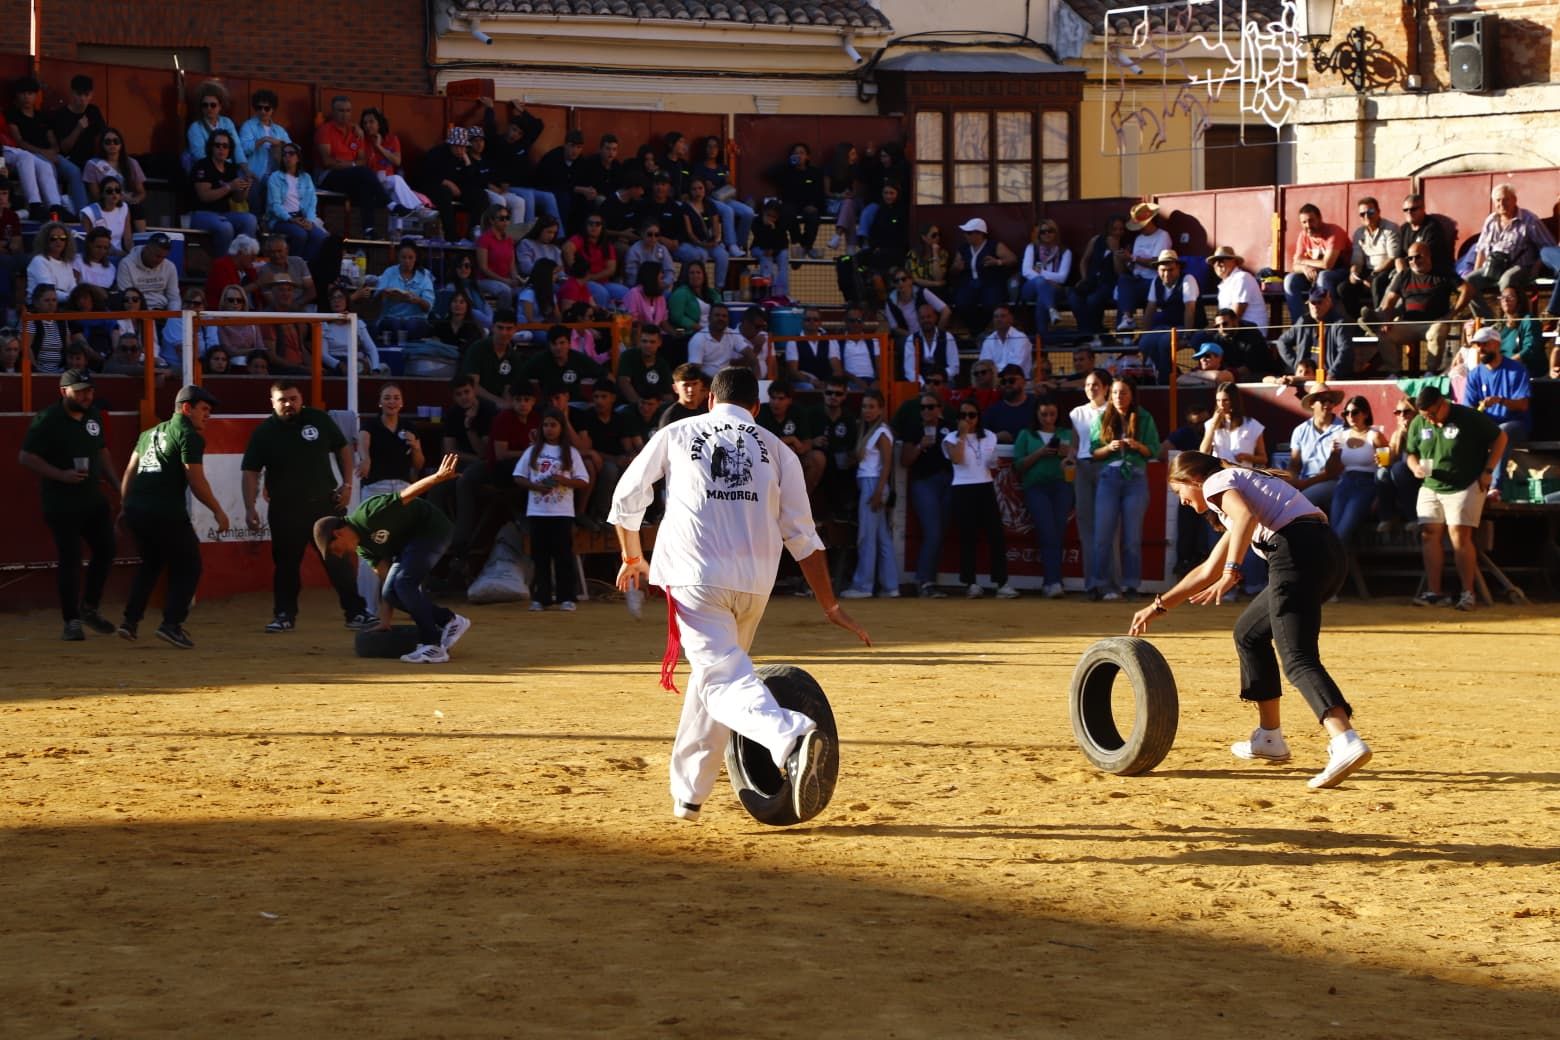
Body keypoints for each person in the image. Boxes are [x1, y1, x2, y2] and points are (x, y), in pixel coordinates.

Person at [608, 365, 869, 823]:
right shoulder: (777, 449)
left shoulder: (679, 430)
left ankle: (791, 735)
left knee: (723, 679)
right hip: (753, 582)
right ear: (756, 407)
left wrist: (632, 556)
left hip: (694, 575)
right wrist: (830, 604)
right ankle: (688, 794)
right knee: (716, 679)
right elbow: (803, 537)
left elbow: (628, 496)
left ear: (710, 400)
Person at [1128, 451, 1374, 790]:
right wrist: (1158, 605)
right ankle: (1269, 737)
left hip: (1297, 552)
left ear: (1193, 480)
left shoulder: (1217, 483)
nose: (1181, 501)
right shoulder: (1240, 490)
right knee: (1249, 633)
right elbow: (1206, 570)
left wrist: (1233, 570)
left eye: (1178, 492)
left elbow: (1240, 523)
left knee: (1298, 656)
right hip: (1324, 553)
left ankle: (1344, 739)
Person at [241, 381, 377, 633]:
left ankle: (356, 613)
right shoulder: (264, 432)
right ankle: (284, 615)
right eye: (282, 400)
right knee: (286, 565)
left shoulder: (318, 418)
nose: (289, 404)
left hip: (323, 507)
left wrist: (347, 486)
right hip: (285, 508)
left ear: (301, 398)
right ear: (272, 403)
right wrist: (249, 507)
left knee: (337, 561)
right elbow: (250, 471)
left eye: (293, 398)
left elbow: (343, 448)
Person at [316, 453, 470, 664]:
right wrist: (385, 622)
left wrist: (438, 477)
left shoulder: (369, 514)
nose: (340, 554)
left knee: (405, 583)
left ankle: (433, 645)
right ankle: (449, 620)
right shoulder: (364, 548)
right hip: (410, 545)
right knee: (393, 590)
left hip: (432, 530)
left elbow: (407, 494)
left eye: (335, 549)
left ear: (338, 533)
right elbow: (385, 580)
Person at [114, 385, 227, 647]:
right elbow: (196, 481)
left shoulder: (148, 433)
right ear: (187, 408)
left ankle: (130, 622)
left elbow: (130, 472)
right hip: (165, 511)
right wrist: (218, 510)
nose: (207, 416)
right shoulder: (188, 435)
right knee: (189, 565)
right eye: (204, 410)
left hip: (137, 510)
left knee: (152, 563)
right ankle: (171, 624)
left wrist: (124, 506)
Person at [18, 369, 121, 640]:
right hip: (61, 502)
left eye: (90, 390)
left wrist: (116, 483)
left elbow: (102, 451)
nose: (87, 396)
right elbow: (26, 456)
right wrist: (60, 474)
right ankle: (71, 620)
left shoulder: (94, 416)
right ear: (64, 391)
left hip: (92, 497)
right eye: (80, 391)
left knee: (107, 548)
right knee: (71, 558)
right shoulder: (48, 419)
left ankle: (89, 607)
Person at [1405, 385, 1506, 611]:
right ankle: (1435, 591)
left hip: (1465, 482)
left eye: (1432, 414)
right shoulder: (1419, 422)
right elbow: (1410, 452)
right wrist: (1414, 468)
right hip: (1431, 484)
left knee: (1459, 534)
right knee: (1428, 534)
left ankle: (1468, 592)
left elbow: (1500, 437)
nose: (1430, 420)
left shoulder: (1468, 416)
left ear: (1443, 403)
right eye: (1425, 416)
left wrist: (1489, 470)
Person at [1089, 377, 1160, 601]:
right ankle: (1099, 584)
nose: (1120, 397)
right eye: (1117, 393)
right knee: (1102, 535)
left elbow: (1154, 451)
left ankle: (1131, 586)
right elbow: (1094, 452)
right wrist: (1109, 447)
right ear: (1111, 395)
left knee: (1132, 537)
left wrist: (1137, 446)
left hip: (1135, 478)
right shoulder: (1103, 417)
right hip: (1109, 476)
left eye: (1124, 393)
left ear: (1131, 395)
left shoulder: (1144, 417)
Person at [514, 408, 590, 611]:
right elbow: (518, 476)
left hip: (562, 512)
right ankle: (541, 597)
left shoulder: (570, 453)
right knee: (540, 556)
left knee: (563, 555)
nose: (549, 429)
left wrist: (564, 480)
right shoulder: (533, 451)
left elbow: (583, 481)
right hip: (538, 511)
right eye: (546, 425)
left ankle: (567, 597)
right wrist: (537, 487)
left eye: (553, 425)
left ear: (561, 428)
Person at [944, 398, 1017, 600]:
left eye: (972, 415)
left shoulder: (990, 437)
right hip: (962, 487)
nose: (968, 419)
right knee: (967, 536)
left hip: (985, 486)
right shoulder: (950, 438)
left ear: (978, 417)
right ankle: (971, 582)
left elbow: (991, 463)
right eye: (963, 415)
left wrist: (994, 463)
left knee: (996, 535)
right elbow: (957, 459)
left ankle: (1001, 582)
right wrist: (961, 434)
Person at [1453, 182, 1555, 318]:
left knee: (1506, 281)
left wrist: (1535, 270)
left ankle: (1518, 321)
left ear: (1514, 200)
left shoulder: (1529, 220)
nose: (1502, 203)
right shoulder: (1490, 220)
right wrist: (1477, 271)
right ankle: (1489, 321)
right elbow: (1481, 249)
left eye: (1506, 199)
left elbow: (1547, 246)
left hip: (1521, 266)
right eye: (1498, 200)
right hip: (1494, 266)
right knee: (1467, 283)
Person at [1012, 394, 1075, 599]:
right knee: (1049, 532)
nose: (1048, 418)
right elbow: (1018, 466)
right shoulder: (1026, 434)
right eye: (1044, 414)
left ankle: (1053, 580)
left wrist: (1067, 454)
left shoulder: (1066, 433)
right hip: (1036, 487)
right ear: (1037, 415)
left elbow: (1078, 459)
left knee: (1057, 531)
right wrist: (1040, 453)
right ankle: (1052, 580)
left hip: (1062, 487)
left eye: (1052, 414)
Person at [840, 389, 899, 599]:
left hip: (873, 484)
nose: (867, 410)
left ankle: (864, 585)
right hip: (871, 483)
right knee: (881, 536)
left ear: (881, 409)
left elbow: (886, 466)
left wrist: (877, 492)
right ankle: (891, 585)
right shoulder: (871, 431)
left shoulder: (881, 432)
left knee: (866, 536)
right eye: (865, 406)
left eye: (872, 406)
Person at [1462, 324, 1530, 497]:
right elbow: (1469, 409)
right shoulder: (1475, 374)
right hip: (1487, 425)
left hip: (1517, 424)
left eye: (1485, 344)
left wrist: (1500, 400)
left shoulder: (1516, 369)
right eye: (1477, 345)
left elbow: (1523, 405)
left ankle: (1495, 486)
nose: (1481, 349)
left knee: (1503, 431)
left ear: (1497, 345)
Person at [315, 95, 389, 239]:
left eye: (348, 111)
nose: (345, 114)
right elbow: (327, 161)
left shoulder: (356, 132)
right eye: (341, 111)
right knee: (364, 173)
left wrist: (348, 164)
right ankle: (388, 202)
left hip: (350, 175)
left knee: (365, 185)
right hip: (328, 176)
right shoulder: (325, 131)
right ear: (333, 111)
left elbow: (362, 160)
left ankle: (368, 229)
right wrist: (352, 165)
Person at [1327, 395, 1388, 547]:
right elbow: (1330, 470)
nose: (1350, 416)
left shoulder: (1375, 436)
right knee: (1334, 533)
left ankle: (1335, 570)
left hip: (1366, 484)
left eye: (1355, 412)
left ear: (1366, 414)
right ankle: (1348, 571)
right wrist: (1333, 454)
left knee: (1342, 532)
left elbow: (1386, 467)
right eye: (1346, 413)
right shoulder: (1341, 436)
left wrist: (1380, 496)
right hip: (1344, 483)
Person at [189, 129, 257, 259]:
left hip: (223, 214)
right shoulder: (203, 165)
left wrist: (245, 188)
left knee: (250, 219)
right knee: (226, 227)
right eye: (217, 145)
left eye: (225, 146)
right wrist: (229, 187)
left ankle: (244, 262)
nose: (221, 149)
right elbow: (204, 196)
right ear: (211, 147)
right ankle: (223, 266)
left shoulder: (230, 168)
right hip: (201, 213)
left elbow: (238, 199)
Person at [1283, 203, 1351, 325]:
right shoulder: (1303, 235)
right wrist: (1305, 268)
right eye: (1304, 222)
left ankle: (1328, 324)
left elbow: (1327, 264)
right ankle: (1301, 326)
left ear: (1320, 218)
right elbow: (1295, 265)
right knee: (1289, 280)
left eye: (1311, 221)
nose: (1308, 225)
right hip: (1314, 274)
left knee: (1324, 276)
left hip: (1341, 273)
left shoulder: (1334, 232)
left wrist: (1303, 261)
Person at [264, 143, 329, 261]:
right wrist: (290, 219)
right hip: (282, 219)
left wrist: (309, 221)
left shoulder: (306, 177)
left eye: (291, 154)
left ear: (298, 158)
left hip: (302, 218)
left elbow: (312, 202)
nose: (287, 157)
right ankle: (293, 265)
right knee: (300, 235)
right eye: (284, 154)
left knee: (320, 236)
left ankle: (306, 265)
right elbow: (275, 205)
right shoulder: (275, 177)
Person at [1115, 202, 1173, 332]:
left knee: (1125, 296)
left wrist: (1132, 258)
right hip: (1137, 279)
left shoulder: (1162, 236)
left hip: (1154, 281)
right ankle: (1127, 319)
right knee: (1123, 283)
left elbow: (1156, 263)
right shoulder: (1139, 238)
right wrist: (1126, 260)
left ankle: (1127, 327)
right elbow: (1134, 266)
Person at [1069, 214, 1128, 339]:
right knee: (1074, 296)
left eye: (1121, 229)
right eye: (1114, 229)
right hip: (1091, 280)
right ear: (1108, 229)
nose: (1118, 232)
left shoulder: (1124, 246)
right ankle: (1086, 331)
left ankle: (1096, 333)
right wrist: (1084, 277)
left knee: (1093, 299)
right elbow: (1084, 261)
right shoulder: (1096, 240)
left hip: (1109, 283)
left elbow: (1120, 272)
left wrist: (1115, 252)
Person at [1287, 387, 1345, 510]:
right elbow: (1294, 464)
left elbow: (1335, 470)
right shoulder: (1300, 430)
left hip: (1333, 481)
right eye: (1323, 400)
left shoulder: (1342, 429)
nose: (1327, 404)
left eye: (1330, 401)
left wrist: (1304, 484)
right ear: (1312, 403)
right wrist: (1291, 481)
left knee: (1300, 504)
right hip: (1304, 481)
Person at [1019, 220, 1072, 336]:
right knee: (1040, 282)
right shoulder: (1031, 248)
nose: (1047, 234)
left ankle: (1042, 337)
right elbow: (1026, 271)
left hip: (1055, 289)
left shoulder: (1065, 251)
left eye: (1050, 231)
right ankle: (1052, 309)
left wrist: (1041, 272)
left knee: (1042, 297)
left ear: (1056, 233)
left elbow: (1062, 278)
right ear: (1039, 235)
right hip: (1031, 288)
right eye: (1043, 232)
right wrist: (1045, 280)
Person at [1206, 245, 1269, 334]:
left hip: (1250, 334)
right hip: (1233, 330)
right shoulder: (1224, 284)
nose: (1218, 264)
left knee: (1201, 338)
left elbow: (1234, 316)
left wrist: (1210, 331)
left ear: (1234, 261)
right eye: (1214, 261)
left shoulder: (1242, 278)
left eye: (1222, 259)